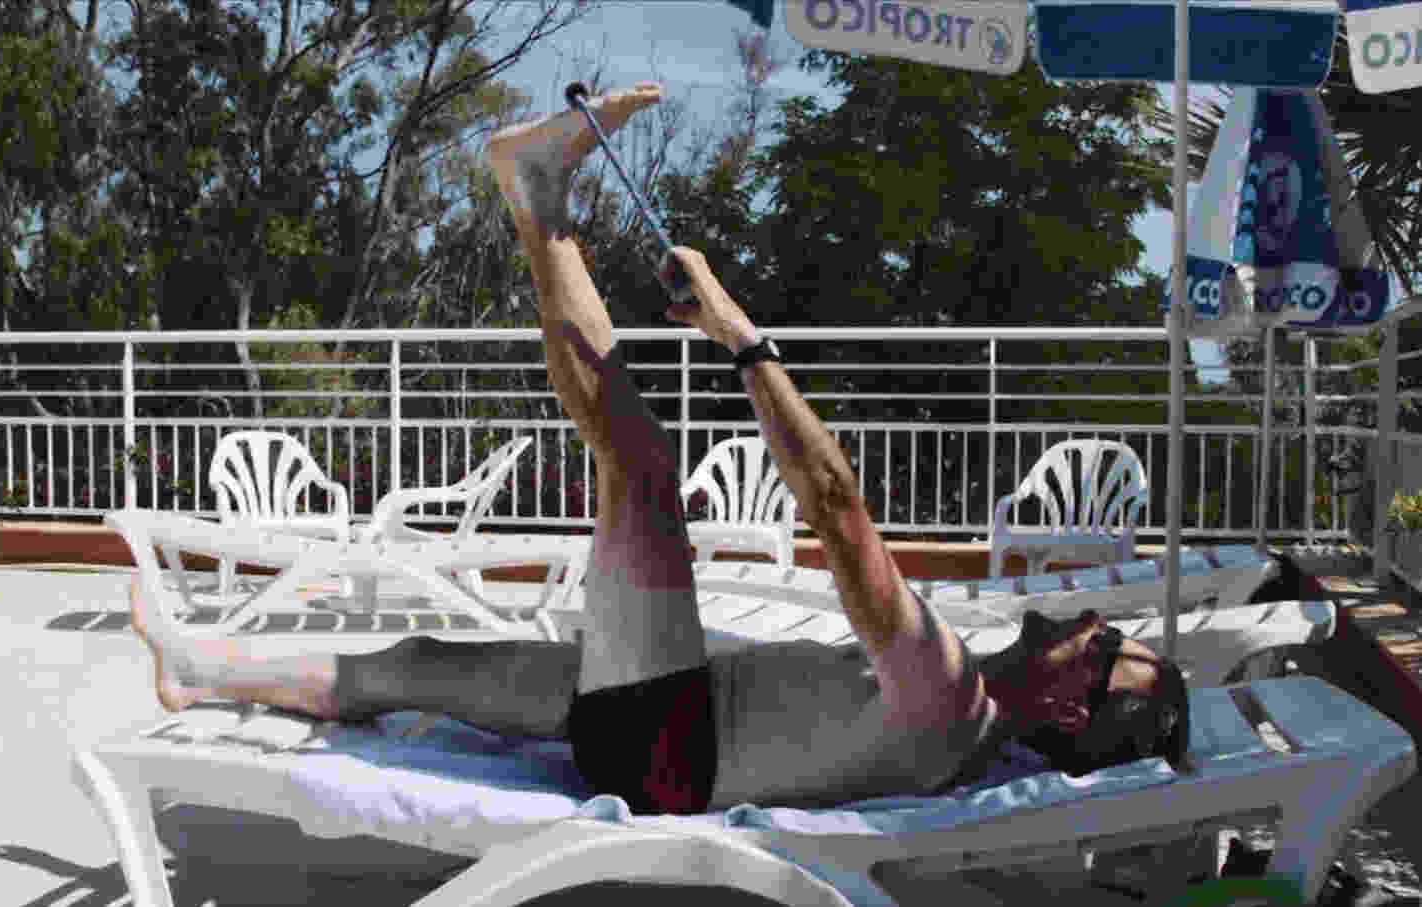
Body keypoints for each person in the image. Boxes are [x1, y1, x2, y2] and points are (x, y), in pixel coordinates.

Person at [129, 82, 1189, 814]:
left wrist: (739, 334)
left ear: (1070, 706)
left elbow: (834, 503)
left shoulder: (954, 696)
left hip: (667, 740)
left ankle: (539, 198)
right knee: (423, 666)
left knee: (642, 468)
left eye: (1104, 649)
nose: (1092, 622)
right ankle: (199, 671)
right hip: (672, 701)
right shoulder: (956, 702)